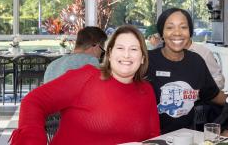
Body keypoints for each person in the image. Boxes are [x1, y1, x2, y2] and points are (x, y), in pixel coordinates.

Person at [10, 25, 160, 145]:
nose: (126, 55)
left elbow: (153, 136)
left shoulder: (146, 90)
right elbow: (33, 101)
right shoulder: (86, 77)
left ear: (142, 58)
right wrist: (32, 139)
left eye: (134, 49)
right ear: (109, 54)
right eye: (120, 48)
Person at [147, 7, 227, 134]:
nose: (177, 32)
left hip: (186, 136)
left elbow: (214, 95)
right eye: (170, 27)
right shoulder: (147, 60)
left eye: (183, 27)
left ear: (190, 32)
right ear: (161, 32)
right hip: (152, 138)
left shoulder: (196, 61)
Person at [43, 26, 108, 83]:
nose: (100, 56)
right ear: (96, 46)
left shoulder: (52, 65)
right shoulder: (90, 61)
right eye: (102, 51)